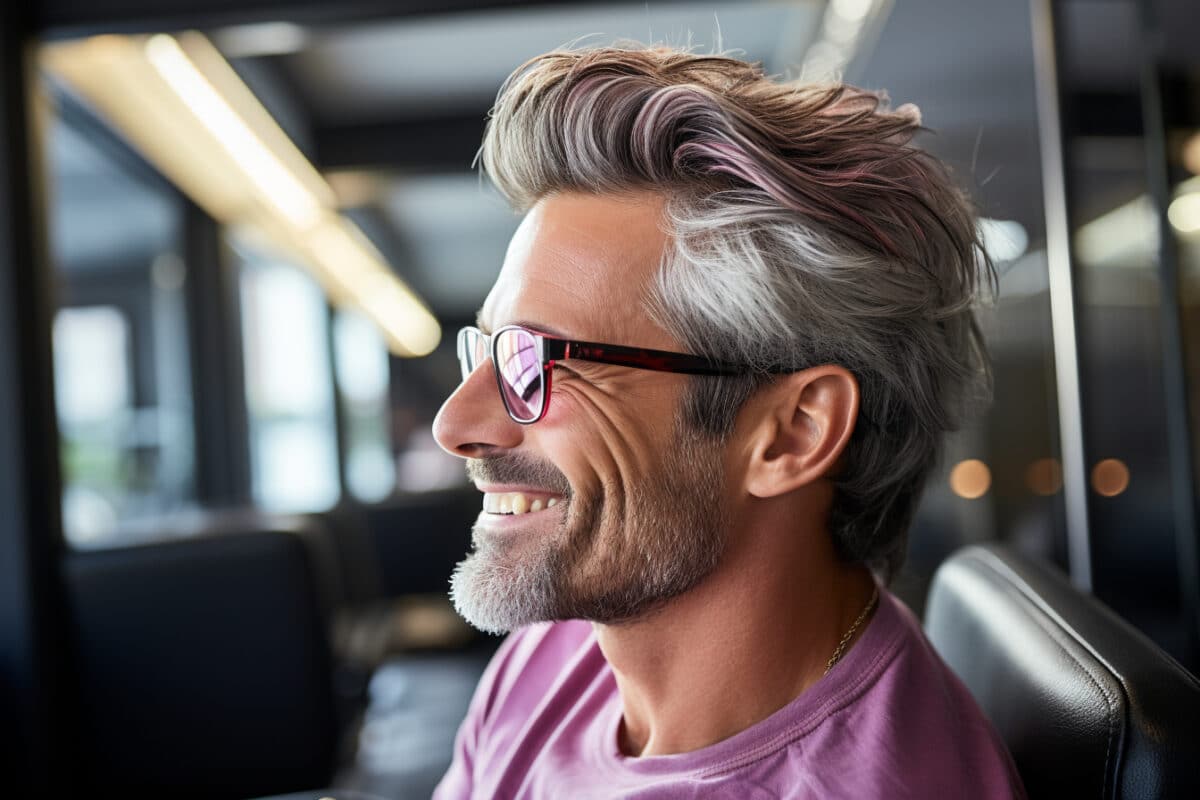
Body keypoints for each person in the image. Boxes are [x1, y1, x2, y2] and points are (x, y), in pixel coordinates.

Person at [430, 44, 1026, 799]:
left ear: (793, 431)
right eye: (488, 350)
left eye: (539, 360)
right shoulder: (564, 646)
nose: (455, 424)